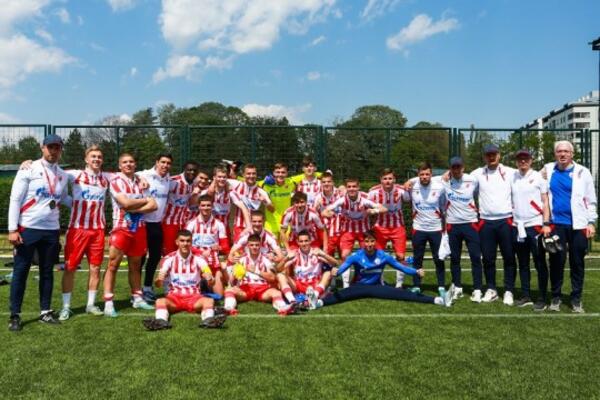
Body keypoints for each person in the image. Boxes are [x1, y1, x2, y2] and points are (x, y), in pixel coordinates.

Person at [8, 134, 70, 331]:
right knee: (21, 271)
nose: (54, 151)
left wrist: (86, 202)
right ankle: (15, 315)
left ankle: (45, 312)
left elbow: (65, 198)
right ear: (42, 148)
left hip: (51, 230)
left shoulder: (63, 174)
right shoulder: (28, 168)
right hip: (28, 228)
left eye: (57, 147)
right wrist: (12, 229)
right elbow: (15, 199)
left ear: (61, 150)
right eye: (50, 147)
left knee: (47, 272)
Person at [317, 231, 454, 308]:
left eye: (372, 241)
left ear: (375, 242)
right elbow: (341, 269)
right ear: (362, 243)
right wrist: (336, 272)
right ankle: (318, 303)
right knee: (341, 295)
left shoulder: (383, 256)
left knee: (402, 294)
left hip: (377, 287)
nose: (369, 244)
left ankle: (438, 300)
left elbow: (401, 267)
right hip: (359, 287)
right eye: (367, 241)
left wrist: (416, 271)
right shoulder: (356, 256)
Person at [542, 140, 597, 313]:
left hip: (579, 226)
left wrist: (591, 222)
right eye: (559, 151)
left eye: (566, 151)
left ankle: (576, 299)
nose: (563, 154)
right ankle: (555, 297)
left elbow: (591, 199)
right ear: (555, 154)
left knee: (577, 262)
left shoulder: (583, 172)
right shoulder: (548, 169)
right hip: (556, 225)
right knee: (556, 262)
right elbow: (534, 184)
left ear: (572, 154)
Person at [59, 145, 111, 320]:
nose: (96, 159)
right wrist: (29, 163)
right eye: (93, 156)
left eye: (99, 157)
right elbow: (53, 172)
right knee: (70, 268)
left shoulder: (106, 178)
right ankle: (66, 307)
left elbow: (129, 173)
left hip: (98, 230)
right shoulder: (75, 175)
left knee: (95, 268)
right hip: (77, 229)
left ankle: (90, 305)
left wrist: (141, 179)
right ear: (86, 159)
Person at [103, 153, 157, 317]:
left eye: (131, 162)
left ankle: (137, 298)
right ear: (120, 166)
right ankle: (108, 302)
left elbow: (154, 205)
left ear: (135, 164)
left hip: (139, 228)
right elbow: (125, 203)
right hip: (122, 228)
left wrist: (134, 210)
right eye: (125, 162)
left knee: (135, 265)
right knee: (113, 265)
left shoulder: (141, 182)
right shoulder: (116, 181)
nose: (128, 164)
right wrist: (143, 201)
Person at [142, 229, 227, 330]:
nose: (185, 244)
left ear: (191, 242)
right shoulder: (168, 259)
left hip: (194, 297)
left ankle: (209, 320)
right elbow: (158, 284)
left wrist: (210, 279)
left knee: (209, 300)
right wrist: (159, 280)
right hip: (174, 298)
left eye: (188, 241)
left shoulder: (200, 259)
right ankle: (161, 321)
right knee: (160, 301)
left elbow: (211, 281)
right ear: (177, 242)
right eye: (182, 241)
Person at [471, 144, 517, 305]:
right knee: (488, 258)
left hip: (506, 220)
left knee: (509, 257)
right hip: (486, 222)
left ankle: (509, 290)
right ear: (484, 157)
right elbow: (459, 179)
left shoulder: (511, 172)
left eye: (494, 154)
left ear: (499, 155)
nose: (491, 157)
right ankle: (491, 289)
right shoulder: (477, 174)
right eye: (488, 154)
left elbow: (530, 175)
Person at [322, 177, 387, 288]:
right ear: (346, 188)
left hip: (363, 231)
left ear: (358, 187)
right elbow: (325, 211)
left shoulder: (365, 199)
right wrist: (327, 213)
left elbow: (384, 209)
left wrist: (373, 211)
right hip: (348, 230)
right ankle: (346, 285)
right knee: (344, 255)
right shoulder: (342, 200)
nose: (351, 189)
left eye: (354, 186)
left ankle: (378, 281)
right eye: (349, 187)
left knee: (371, 254)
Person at [510, 149, 549, 310]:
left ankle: (542, 297)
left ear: (531, 160)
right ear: (516, 161)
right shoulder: (513, 177)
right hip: (518, 226)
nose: (523, 161)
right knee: (523, 262)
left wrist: (546, 223)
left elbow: (545, 201)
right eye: (520, 159)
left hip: (535, 225)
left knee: (539, 262)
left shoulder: (539, 177)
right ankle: (526, 295)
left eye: (525, 158)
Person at [442, 157, 483, 302]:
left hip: (470, 223)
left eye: (458, 167)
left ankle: (477, 289)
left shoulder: (473, 180)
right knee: (455, 258)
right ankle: (457, 287)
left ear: (463, 168)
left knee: (475, 257)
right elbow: (424, 178)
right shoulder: (445, 181)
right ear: (450, 169)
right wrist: (409, 182)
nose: (456, 170)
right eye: (453, 167)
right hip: (453, 224)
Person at [223, 234, 296, 316]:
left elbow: (272, 278)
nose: (254, 247)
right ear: (248, 246)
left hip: (262, 288)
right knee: (229, 290)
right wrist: (232, 273)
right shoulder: (241, 259)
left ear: (260, 245)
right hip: (246, 288)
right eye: (252, 245)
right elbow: (231, 282)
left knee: (276, 293)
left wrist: (257, 271)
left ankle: (283, 308)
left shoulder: (266, 259)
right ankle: (229, 308)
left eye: (257, 245)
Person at [405, 162, 447, 296]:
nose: (424, 177)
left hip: (435, 229)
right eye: (422, 174)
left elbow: (443, 208)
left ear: (431, 174)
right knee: (418, 258)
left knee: (439, 259)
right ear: (418, 175)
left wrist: (444, 228)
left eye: (427, 174)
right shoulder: (412, 187)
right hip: (418, 228)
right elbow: (404, 196)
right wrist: (409, 182)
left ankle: (441, 286)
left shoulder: (439, 188)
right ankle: (416, 286)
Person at [138, 153, 173, 303]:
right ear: (157, 162)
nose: (165, 165)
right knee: (139, 258)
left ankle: (147, 288)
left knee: (155, 257)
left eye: (168, 163)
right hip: (142, 222)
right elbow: (129, 174)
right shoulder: (145, 174)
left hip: (157, 224)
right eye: (163, 162)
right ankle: (136, 291)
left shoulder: (168, 180)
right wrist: (139, 179)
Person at [368, 168, 410, 288]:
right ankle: (380, 282)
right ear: (381, 180)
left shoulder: (401, 191)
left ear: (394, 179)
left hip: (398, 227)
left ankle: (399, 284)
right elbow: (366, 207)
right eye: (385, 178)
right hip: (380, 228)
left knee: (400, 256)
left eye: (390, 178)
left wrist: (408, 185)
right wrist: (374, 212)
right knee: (378, 256)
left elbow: (409, 199)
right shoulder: (373, 192)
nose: (387, 181)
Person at [277, 230, 338, 309]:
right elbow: (278, 269)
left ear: (310, 241)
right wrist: (286, 258)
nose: (304, 244)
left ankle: (313, 297)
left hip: (314, 285)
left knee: (328, 273)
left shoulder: (316, 252)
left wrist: (323, 254)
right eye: (301, 241)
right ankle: (293, 302)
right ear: (297, 242)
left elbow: (335, 263)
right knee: (280, 275)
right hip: (299, 285)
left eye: (306, 241)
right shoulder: (295, 254)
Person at [185, 194, 230, 296]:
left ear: (212, 206)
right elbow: (185, 246)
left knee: (219, 295)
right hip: (195, 263)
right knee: (192, 295)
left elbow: (226, 247)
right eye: (203, 205)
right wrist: (200, 252)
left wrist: (219, 247)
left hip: (212, 263)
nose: (206, 208)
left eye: (208, 205)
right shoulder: (191, 224)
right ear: (199, 206)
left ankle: (208, 285)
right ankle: (202, 284)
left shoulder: (219, 224)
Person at [203, 165, 251, 241]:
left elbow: (243, 207)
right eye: (219, 177)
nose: (222, 179)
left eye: (224, 177)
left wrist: (248, 226)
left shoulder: (230, 192)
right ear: (214, 177)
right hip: (209, 230)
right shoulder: (207, 191)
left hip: (224, 230)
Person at [161, 161, 199, 255]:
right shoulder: (174, 181)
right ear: (184, 170)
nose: (192, 172)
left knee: (182, 251)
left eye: (194, 170)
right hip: (169, 222)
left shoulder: (194, 184)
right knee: (169, 251)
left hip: (182, 223)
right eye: (189, 170)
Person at [228, 164, 274, 242]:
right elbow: (220, 179)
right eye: (248, 173)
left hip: (255, 228)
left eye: (253, 173)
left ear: (256, 175)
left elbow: (272, 210)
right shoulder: (236, 184)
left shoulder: (261, 191)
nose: (251, 176)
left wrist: (265, 201)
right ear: (243, 175)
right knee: (238, 249)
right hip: (239, 226)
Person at [260, 162, 296, 238]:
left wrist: (322, 174)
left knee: (286, 244)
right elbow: (249, 181)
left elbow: (305, 175)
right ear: (273, 173)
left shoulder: (291, 182)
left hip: (286, 223)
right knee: (271, 244)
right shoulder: (265, 184)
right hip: (271, 223)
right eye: (278, 172)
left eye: (283, 172)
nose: (280, 174)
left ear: (287, 174)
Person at [314, 172, 343, 257]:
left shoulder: (340, 194)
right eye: (324, 182)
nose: (326, 184)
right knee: (328, 252)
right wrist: (317, 209)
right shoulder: (318, 197)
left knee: (342, 252)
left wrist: (330, 212)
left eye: (329, 181)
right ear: (321, 184)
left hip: (339, 226)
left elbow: (345, 210)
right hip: (325, 228)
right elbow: (314, 214)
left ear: (333, 183)